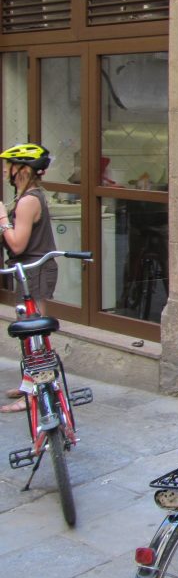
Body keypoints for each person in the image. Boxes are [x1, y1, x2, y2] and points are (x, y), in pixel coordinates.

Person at [0, 142, 59, 414]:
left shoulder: (27, 201)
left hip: (33, 271)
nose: (4, 170)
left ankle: (35, 394)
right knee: (30, 335)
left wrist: (2, 219)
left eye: (9, 166)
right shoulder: (32, 196)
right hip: (30, 272)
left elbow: (17, 244)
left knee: (35, 338)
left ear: (22, 170)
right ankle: (29, 385)